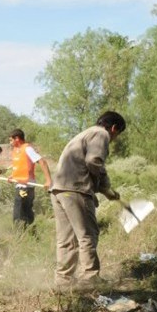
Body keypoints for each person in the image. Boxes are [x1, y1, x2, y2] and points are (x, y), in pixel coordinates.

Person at [50, 111, 126, 288]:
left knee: (66, 239)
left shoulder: (83, 134)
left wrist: (103, 189)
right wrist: (105, 187)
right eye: (117, 134)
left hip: (59, 190)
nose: (114, 138)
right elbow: (93, 161)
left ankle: (63, 280)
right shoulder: (101, 133)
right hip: (76, 190)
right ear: (114, 128)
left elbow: (86, 162)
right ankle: (89, 278)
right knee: (87, 235)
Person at [8, 128, 52, 228]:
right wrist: (12, 176)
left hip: (25, 187)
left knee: (19, 214)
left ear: (17, 139)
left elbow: (42, 162)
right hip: (20, 185)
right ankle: (31, 232)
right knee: (25, 211)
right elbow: (21, 167)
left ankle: (20, 236)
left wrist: (48, 181)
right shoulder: (17, 151)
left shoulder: (27, 149)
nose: (10, 143)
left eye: (11, 140)